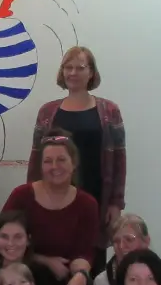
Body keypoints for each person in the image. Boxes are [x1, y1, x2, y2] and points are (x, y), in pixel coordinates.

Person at [2, 137, 99, 285]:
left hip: (64, 279)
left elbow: (85, 251)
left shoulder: (87, 204)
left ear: (74, 163)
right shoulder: (22, 195)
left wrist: (81, 276)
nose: (54, 167)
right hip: (23, 272)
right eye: (48, 161)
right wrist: (45, 260)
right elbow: (3, 240)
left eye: (61, 160)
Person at [27, 46, 126, 251]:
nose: (73, 73)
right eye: (68, 67)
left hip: (97, 196)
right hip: (53, 196)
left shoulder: (110, 111)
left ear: (91, 72)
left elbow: (119, 160)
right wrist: (31, 197)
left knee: (91, 256)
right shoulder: (47, 111)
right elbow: (37, 159)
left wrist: (116, 204)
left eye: (80, 67)